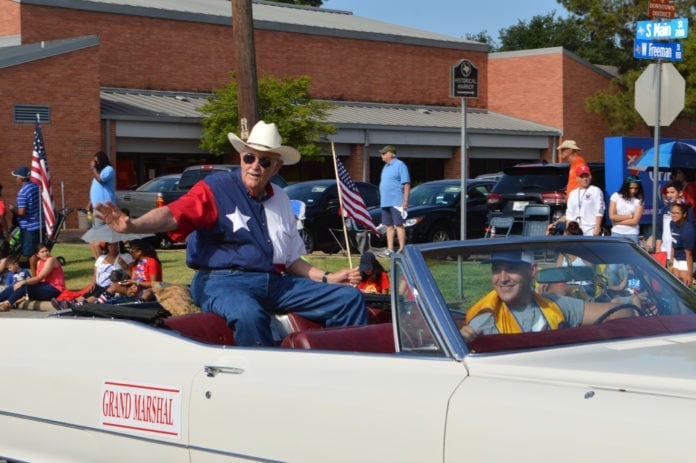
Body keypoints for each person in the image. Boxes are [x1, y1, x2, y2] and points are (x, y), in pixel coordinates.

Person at [95, 120, 367, 346]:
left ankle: (343, 370)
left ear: (276, 167)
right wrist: (132, 226)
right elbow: (173, 213)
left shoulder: (281, 199)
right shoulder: (216, 188)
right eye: (249, 157)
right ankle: (261, 383)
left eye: (264, 160)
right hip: (221, 281)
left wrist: (329, 277)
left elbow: (292, 260)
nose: (255, 165)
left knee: (349, 298)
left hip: (274, 282)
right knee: (249, 314)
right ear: (241, 156)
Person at [459, 251, 633, 342]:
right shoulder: (484, 319)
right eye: (496, 269)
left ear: (532, 271)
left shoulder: (555, 306)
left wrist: (578, 337)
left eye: (511, 269)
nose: (502, 278)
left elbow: (620, 313)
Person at [0, 243, 65, 311]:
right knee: (16, 284)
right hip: (43, 288)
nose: (45, 253)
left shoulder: (51, 260)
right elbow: (38, 280)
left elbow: (40, 277)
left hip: (55, 289)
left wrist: (24, 282)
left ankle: (7, 304)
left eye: (46, 251)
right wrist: (22, 282)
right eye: (42, 252)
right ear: (37, 255)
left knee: (24, 284)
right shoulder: (39, 262)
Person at [549, 165, 605, 236]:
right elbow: (570, 214)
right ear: (577, 178)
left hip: (591, 229)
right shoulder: (573, 193)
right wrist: (567, 230)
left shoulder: (596, 191)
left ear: (590, 177)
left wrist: (597, 228)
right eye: (582, 176)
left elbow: (600, 210)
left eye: (586, 176)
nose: (585, 179)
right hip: (575, 230)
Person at [378, 145, 411, 257]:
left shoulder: (400, 165)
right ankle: (390, 249)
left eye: (384, 153)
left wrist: (405, 200)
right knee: (388, 225)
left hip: (397, 201)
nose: (381, 155)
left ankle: (402, 248)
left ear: (391, 154)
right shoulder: (385, 167)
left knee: (399, 225)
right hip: (385, 201)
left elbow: (406, 183)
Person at [7, 166, 40, 268]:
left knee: (31, 253)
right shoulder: (36, 187)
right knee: (39, 249)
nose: (16, 179)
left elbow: (21, 212)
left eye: (16, 177)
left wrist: (12, 209)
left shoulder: (22, 192)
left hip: (29, 226)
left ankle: (35, 277)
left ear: (21, 178)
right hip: (39, 224)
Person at [87, 151, 117, 259]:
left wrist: (93, 169)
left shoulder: (108, 169)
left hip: (105, 207)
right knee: (94, 238)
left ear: (102, 160)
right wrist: (90, 203)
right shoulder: (97, 173)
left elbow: (101, 180)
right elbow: (96, 189)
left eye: (96, 160)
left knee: (99, 237)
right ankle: (99, 260)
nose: (95, 162)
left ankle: (102, 260)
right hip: (97, 207)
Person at [655, 180, 688, 261]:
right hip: (664, 253)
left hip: (679, 255)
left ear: (680, 193)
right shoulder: (664, 210)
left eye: (672, 192)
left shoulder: (686, 210)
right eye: (667, 192)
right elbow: (659, 231)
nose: (669, 195)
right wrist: (658, 250)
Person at [608, 176, 644, 244]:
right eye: (631, 188)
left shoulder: (639, 200)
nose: (633, 191)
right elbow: (612, 216)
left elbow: (634, 221)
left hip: (632, 234)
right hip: (616, 233)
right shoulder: (615, 196)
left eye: (636, 188)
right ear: (626, 187)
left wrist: (617, 222)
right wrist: (630, 216)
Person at [669, 202, 694, 286]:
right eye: (672, 212)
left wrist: (689, 275)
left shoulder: (688, 230)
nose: (673, 215)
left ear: (684, 214)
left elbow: (689, 254)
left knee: (684, 285)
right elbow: (673, 243)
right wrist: (671, 261)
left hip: (686, 260)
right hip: (676, 257)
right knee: (676, 284)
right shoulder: (672, 223)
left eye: (676, 213)